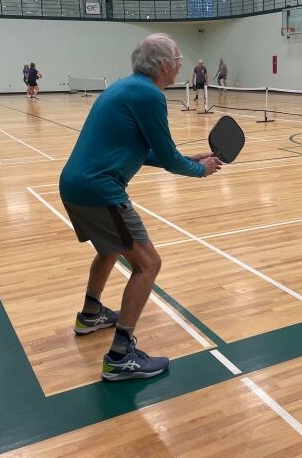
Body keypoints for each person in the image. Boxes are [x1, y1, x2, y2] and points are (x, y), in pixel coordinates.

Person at [59, 33, 222, 381]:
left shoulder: (125, 87)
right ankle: (120, 356)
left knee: (109, 249)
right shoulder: (149, 94)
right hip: (100, 191)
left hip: (74, 184)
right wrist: (199, 169)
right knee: (148, 264)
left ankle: (90, 315)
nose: (181, 63)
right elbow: (167, 156)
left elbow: (140, 150)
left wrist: (185, 158)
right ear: (164, 65)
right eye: (178, 58)